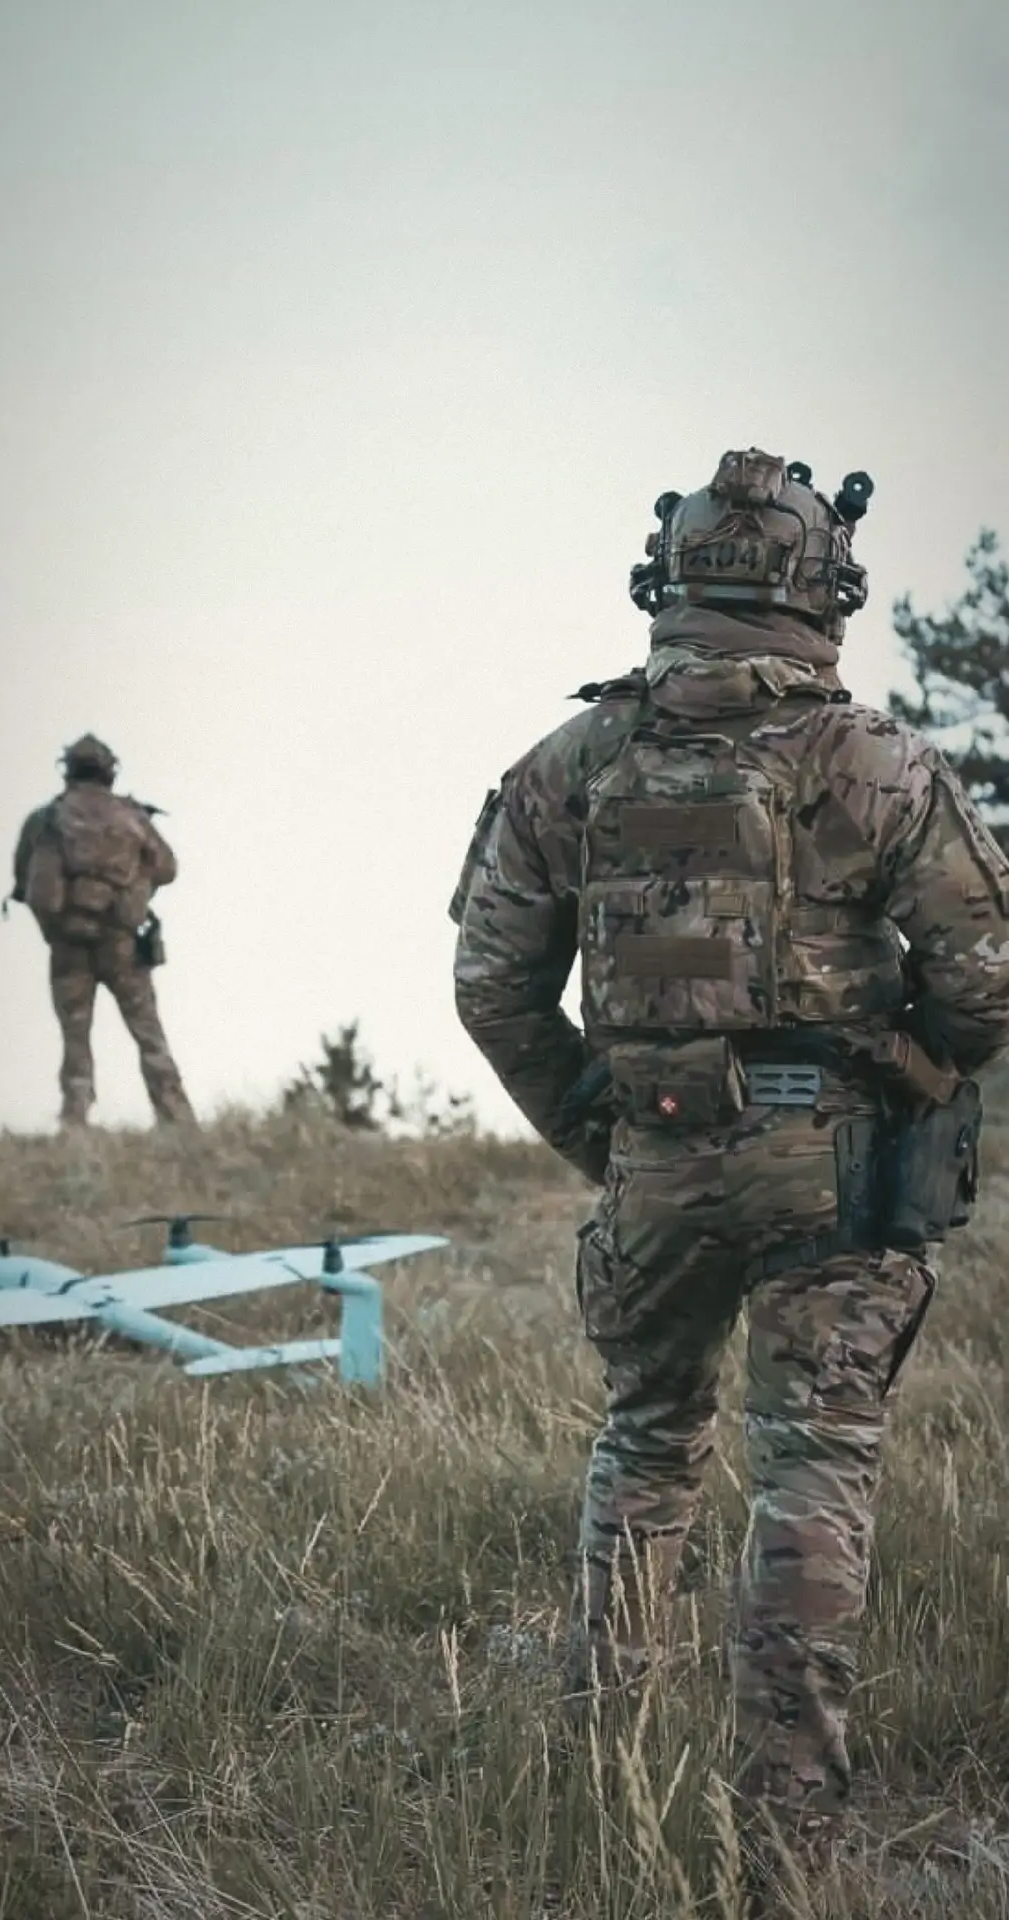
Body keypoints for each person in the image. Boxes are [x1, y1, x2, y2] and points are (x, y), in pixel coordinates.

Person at [450, 449, 1009, 1898]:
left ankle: (602, 1769)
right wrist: (920, 1077)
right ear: (824, 589)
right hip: (834, 1172)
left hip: (653, 1164)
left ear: (670, 581)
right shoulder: (876, 761)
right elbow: (987, 983)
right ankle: (790, 1837)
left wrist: (608, 1135)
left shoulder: (568, 765)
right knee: (812, 1473)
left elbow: (494, 988)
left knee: (644, 1446)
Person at [11, 733, 194, 1127]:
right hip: (123, 942)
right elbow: (168, 867)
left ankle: (75, 1119)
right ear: (110, 771)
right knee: (148, 1032)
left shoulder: (46, 820)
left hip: (69, 944)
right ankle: (176, 1118)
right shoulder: (132, 817)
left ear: (68, 770)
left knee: (75, 1037)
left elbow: (25, 881)